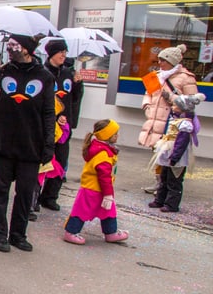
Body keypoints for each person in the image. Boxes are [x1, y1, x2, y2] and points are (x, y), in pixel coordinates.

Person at [0, 34, 55, 253]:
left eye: (15, 45)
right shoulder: (2, 71)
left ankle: (18, 234)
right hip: (2, 142)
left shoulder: (44, 76)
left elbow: (48, 112)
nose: (10, 49)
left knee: (25, 193)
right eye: (9, 45)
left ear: (27, 49)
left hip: (30, 144)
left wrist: (48, 143)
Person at [138, 44, 198, 194]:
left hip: (172, 122)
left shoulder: (186, 78)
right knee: (156, 151)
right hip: (154, 119)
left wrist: (171, 98)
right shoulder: (157, 76)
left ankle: (165, 186)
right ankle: (158, 182)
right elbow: (148, 93)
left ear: (172, 61)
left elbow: (192, 101)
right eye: (159, 60)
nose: (159, 63)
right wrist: (147, 106)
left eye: (163, 60)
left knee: (168, 153)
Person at [63, 119, 129, 245]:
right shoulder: (103, 154)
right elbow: (104, 177)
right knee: (81, 210)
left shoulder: (99, 148)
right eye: (115, 134)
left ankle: (111, 232)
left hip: (97, 188)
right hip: (93, 188)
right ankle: (71, 231)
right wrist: (108, 194)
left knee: (108, 210)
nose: (117, 136)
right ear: (107, 136)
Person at [36, 38, 84, 211]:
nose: (64, 55)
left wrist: (78, 85)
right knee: (42, 163)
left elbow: (75, 99)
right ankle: (34, 197)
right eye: (60, 52)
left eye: (65, 52)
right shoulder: (42, 72)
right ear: (51, 54)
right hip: (46, 126)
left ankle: (50, 197)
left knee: (61, 163)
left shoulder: (68, 74)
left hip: (64, 127)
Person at [149, 92, 205, 213]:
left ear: (182, 108)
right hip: (167, 152)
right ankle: (160, 199)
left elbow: (181, 143)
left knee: (174, 180)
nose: (172, 107)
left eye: (175, 105)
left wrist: (175, 157)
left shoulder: (185, 124)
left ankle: (171, 204)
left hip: (176, 156)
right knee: (164, 177)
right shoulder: (175, 119)